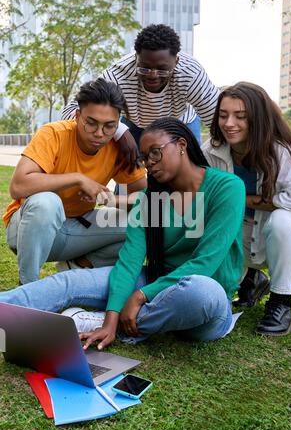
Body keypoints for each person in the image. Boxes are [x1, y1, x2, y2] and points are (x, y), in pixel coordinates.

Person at [0, 117, 245, 350]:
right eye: (145, 158)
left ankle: (105, 324)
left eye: (156, 153)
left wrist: (139, 296)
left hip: (203, 303)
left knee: (202, 290)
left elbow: (205, 262)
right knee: (70, 281)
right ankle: (6, 309)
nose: (150, 163)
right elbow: (128, 262)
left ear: (181, 145)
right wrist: (117, 309)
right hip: (157, 279)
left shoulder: (227, 187)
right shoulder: (152, 201)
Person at [2, 79, 146, 285]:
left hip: (79, 226)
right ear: (78, 116)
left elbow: (145, 197)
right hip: (28, 230)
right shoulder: (53, 134)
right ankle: (28, 287)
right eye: (91, 123)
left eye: (109, 126)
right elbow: (18, 186)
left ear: (119, 122)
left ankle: (78, 265)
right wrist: (77, 179)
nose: (99, 133)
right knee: (47, 202)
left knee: (143, 223)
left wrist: (112, 200)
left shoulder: (119, 147)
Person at [202, 81, 291, 336]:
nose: (229, 123)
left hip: (280, 239)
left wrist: (239, 198)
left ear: (257, 119)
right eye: (223, 115)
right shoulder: (211, 150)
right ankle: (250, 279)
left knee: (282, 220)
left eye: (240, 116)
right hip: (238, 234)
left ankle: (281, 302)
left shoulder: (282, 153)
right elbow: (202, 193)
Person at [62, 24, 220, 146]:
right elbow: (70, 111)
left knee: (190, 173)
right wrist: (120, 132)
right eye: (144, 67)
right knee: (127, 167)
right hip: (136, 124)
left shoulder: (190, 74)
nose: (153, 75)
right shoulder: (117, 76)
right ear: (135, 57)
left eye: (162, 69)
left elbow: (218, 120)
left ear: (176, 62)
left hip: (181, 121)